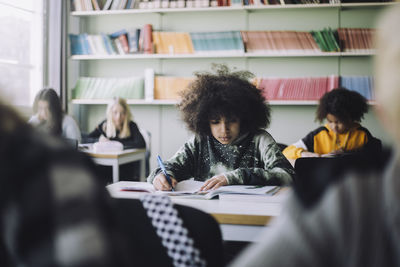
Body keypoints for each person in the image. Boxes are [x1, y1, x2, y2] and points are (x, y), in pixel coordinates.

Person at [230, 5, 400, 267]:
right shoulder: (319, 141)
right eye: (331, 123)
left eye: (341, 123)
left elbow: (371, 154)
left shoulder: (364, 142)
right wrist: (316, 154)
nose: (335, 129)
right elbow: (288, 153)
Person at [0, 99, 126, 266]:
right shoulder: (103, 125)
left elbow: (136, 143)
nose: (42, 113)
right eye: (39, 109)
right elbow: (90, 137)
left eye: (46, 109)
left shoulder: (52, 156)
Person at [148, 64, 294, 191]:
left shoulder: (259, 139)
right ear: (204, 121)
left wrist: (236, 177)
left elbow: (288, 175)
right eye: (215, 122)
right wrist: (160, 177)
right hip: (209, 210)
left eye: (232, 121)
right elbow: (171, 167)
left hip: (251, 211)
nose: (224, 129)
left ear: (244, 118)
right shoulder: (200, 141)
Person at [283, 87, 381, 163]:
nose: (334, 126)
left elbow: (376, 155)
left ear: (351, 117)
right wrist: (305, 154)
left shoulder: (362, 134)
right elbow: (286, 152)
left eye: (339, 122)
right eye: (330, 121)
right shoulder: (319, 134)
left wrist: (347, 155)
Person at [86, 97, 145, 182]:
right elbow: (87, 138)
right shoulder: (104, 125)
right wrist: (99, 140)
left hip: (126, 170)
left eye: (122, 113)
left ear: (126, 113)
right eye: (115, 113)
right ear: (110, 113)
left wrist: (114, 143)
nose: (118, 117)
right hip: (106, 170)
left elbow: (141, 144)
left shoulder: (131, 125)